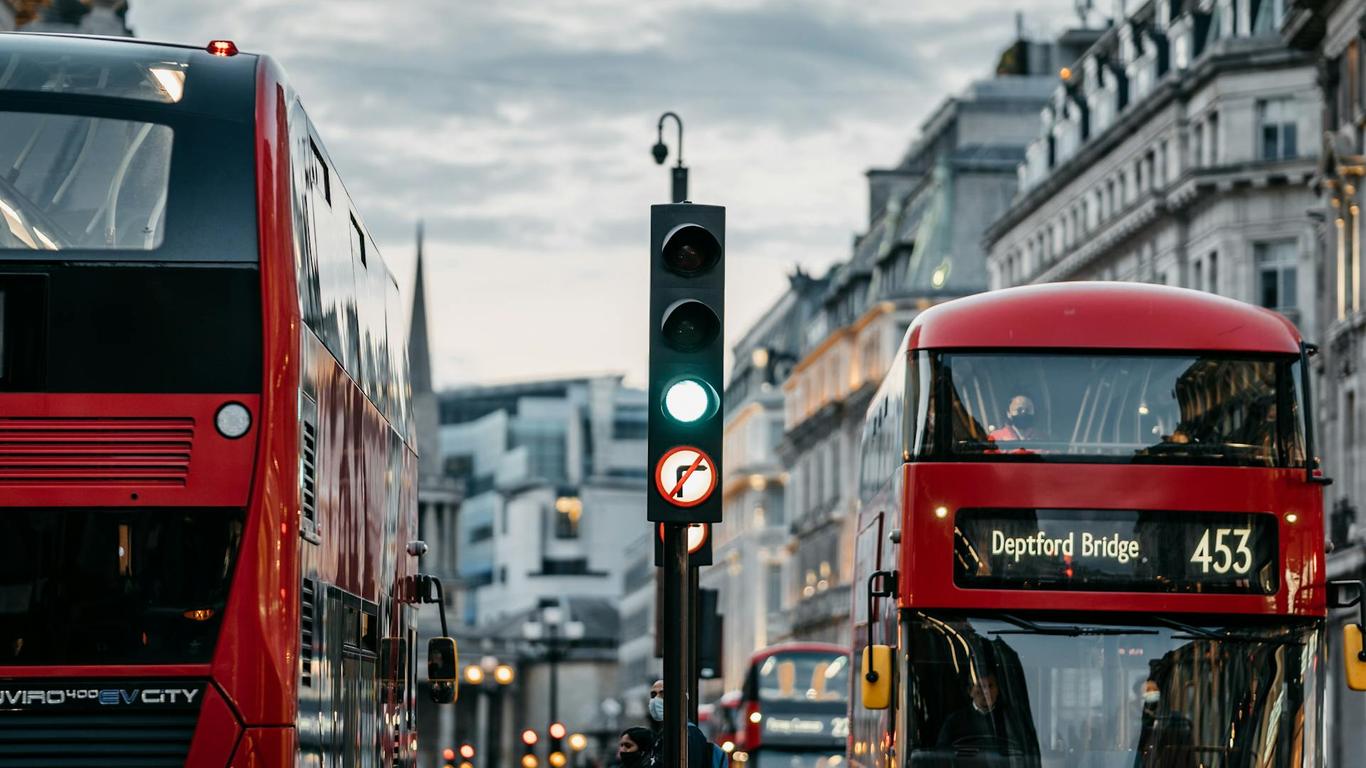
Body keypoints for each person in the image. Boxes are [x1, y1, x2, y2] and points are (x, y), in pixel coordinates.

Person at [935, 672, 1031, 755]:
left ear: (997, 690)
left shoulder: (1012, 720)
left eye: (990, 686)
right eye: (980, 686)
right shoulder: (954, 721)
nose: (986, 692)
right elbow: (942, 754)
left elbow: (1027, 750)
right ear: (970, 691)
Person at [646, 679, 721, 768]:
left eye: (662, 694)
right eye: (653, 695)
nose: (656, 699)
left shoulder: (687, 732)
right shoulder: (663, 731)